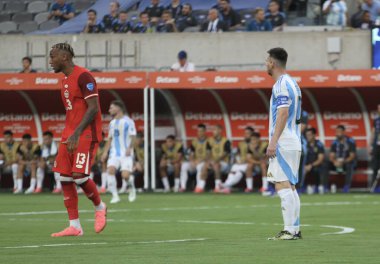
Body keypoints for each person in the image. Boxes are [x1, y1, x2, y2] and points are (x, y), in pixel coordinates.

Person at [49, 42, 106, 237]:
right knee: (64, 177)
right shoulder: (64, 80)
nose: (50, 61)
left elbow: (93, 108)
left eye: (52, 57)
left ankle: (100, 207)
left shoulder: (84, 76)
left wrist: (76, 132)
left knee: (80, 176)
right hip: (70, 133)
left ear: (64, 57)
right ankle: (75, 225)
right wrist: (69, 132)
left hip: (85, 133)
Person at [265, 47, 302, 240]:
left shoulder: (280, 84)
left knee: (282, 184)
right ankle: (294, 229)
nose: (265, 64)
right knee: (291, 186)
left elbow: (283, 113)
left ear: (272, 62)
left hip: (284, 142)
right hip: (293, 140)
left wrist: (273, 142)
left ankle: (289, 230)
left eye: (266, 60)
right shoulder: (293, 83)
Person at [101, 100, 137, 204]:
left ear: (118, 108)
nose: (109, 110)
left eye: (111, 108)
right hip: (114, 153)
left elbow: (133, 136)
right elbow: (110, 139)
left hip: (126, 153)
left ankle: (132, 188)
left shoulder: (128, 121)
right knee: (110, 170)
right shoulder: (112, 123)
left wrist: (130, 148)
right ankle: (115, 196)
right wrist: (105, 152)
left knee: (125, 176)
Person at [180, 124, 211, 192]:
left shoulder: (209, 141)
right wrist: (192, 161)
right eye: (198, 131)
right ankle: (183, 187)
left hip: (204, 162)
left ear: (205, 131)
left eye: (201, 131)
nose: (199, 133)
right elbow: (191, 153)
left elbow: (209, 155)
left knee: (200, 167)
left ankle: (198, 187)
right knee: (184, 166)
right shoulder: (194, 141)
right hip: (195, 161)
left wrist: (199, 161)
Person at [200, 125, 231, 193]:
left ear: (220, 131)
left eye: (215, 130)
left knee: (216, 165)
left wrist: (215, 161)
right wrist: (208, 162)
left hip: (224, 163)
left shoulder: (226, 141)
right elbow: (208, 153)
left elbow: (225, 153)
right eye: (213, 130)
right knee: (205, 166)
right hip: (212, 162)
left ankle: (218, 187)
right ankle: (200, 187)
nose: (213, 132)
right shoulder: (210, 141)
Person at [329, 125, 356, 193]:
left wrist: (342, 162)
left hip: (346, 162)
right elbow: (331, 155)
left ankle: (347, 186)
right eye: (336, 132)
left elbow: (352, 156)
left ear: (344, 132)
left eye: (339, 132)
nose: (337, 133)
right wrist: (335, 162)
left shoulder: (350, 141)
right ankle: (323, 186)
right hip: (337, 163)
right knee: (324, 165)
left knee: (350, 165)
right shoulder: (334, 142)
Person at [304, 128, 326, 194]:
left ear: (314, 135)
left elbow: (320, 159)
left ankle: (318, 186)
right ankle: (301, 187)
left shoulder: (319, 144)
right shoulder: (304, 144)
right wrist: (304, 166)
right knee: (300, 170)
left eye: (309, 135)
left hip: (315, 165)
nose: (308, 137)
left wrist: (310, 165)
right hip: (305, 165)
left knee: (319, 168)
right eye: (307, 135)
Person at [370, 104, 380, 190]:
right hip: (377, 146)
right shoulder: (376, 120)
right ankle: (374, 187)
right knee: (375, 166)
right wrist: (370, 145)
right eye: (378, 108)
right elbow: (373, 133)